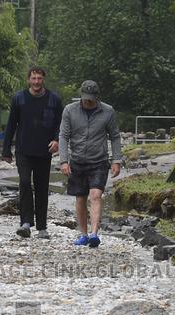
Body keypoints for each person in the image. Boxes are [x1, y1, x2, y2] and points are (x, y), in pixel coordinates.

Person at [58, 80, 123, 248]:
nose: (87, 101)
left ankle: (94, 233)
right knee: (80, 198)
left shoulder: (108, 112)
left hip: (99, 161)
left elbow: (115, 136)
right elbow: (64, 136)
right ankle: (83, 234)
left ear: (97, 97)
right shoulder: (69, 111)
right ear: (81, 95)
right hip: (77, 160)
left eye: (91, 99)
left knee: (95, 195)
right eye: (85, 98)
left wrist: (116, 160)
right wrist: (63, 161)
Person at [1, 66, 63, 239]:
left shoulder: (54, 99)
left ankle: (42, 227)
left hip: (44, 151)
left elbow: (61, 124)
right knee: (25, 182)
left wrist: (57, 140)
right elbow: (11, 125)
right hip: (24, 150)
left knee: (42, 188)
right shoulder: (19, 98)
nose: (36, 82)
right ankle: (25, 223)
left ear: (43, 80)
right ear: (28, 80)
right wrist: (6, 150)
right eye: (33, 78)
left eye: (39, 79)